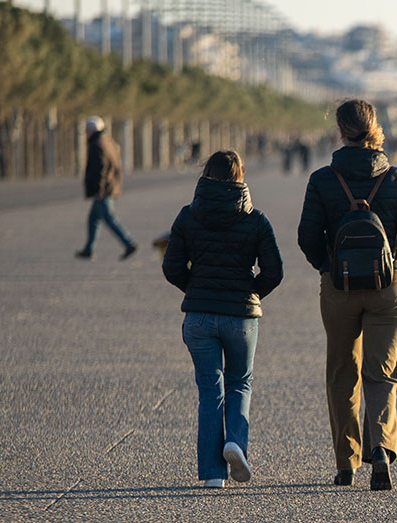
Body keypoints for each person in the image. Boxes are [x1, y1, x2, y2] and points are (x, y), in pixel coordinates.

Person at [297, 99, 397, 491]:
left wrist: (329, 267)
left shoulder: (322, 179)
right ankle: (381, 453)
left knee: (341, 370)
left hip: (338, 287)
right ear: (375, 128)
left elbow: (307, 238)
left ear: (340, 132)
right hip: (388, 287)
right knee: (382, 372)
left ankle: (346, 463)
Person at [162, 150, 283, 489]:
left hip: (198, 318)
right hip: (240, 318)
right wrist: (250, 293)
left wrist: (197, 291)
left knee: (209, 391)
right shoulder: (256, 220)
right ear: (241, 177)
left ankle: (214, 474)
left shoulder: (187, 216)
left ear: (206, 176)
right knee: (239, 382)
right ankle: (236, 443)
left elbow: (172, 267)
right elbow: (274, 272)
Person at [76, 116, 137, 260]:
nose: (85, 132)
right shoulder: (108, 141)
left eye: (87, 129)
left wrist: (99, 190)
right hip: (109, 187)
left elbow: (100, 169)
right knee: (93, 219)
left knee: (109, 218)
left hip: (103, 190)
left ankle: (129, 243)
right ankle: (89, 249)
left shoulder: (97, 144)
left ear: (93, 129)